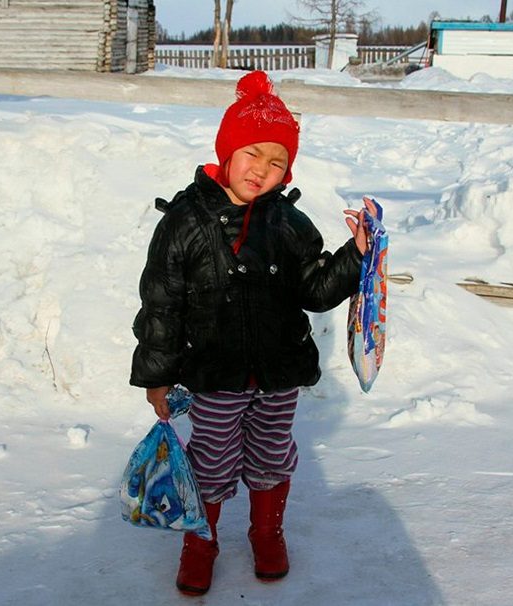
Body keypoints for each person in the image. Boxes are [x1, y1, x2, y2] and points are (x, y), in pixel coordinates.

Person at [130, 70, 378, 596]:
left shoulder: (288, 223)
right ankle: (201, 542)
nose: (262, 171)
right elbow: (161, 305)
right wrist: (157, 377)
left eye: (277, 163)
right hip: (215, 374)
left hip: (278, 371)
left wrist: (354, 256)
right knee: (212, 462)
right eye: (252, 155)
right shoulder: (184, 222)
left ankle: (268, 531)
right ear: (227, 150)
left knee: (270, 454)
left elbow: (313, 288)